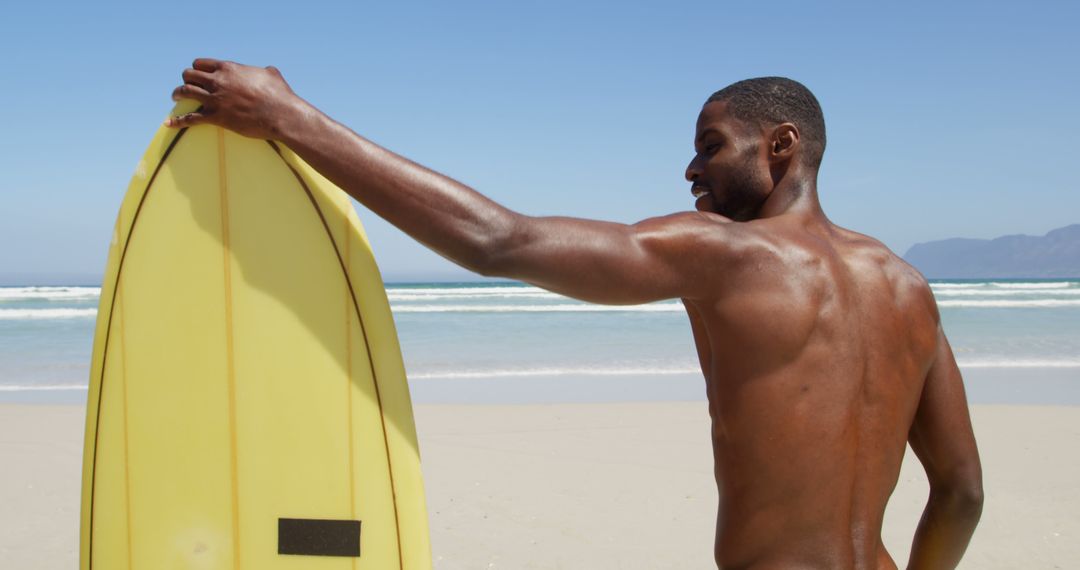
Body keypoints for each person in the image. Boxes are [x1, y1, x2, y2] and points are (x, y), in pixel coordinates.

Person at [168, 59, 983, 569]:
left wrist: (289, 117)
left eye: (710, 145)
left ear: (780, 146)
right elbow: (962, 493)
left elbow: (499, 241)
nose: (691, 169)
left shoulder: (724, 253)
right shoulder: (908, 288)